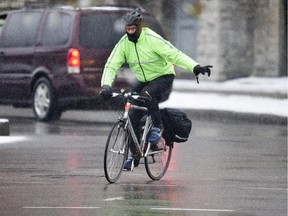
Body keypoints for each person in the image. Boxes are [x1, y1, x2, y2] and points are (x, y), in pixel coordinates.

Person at [100, 11, 212, 171]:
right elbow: (112, 64)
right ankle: (135, 155)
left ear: (139, 27)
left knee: (147, 95)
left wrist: (194, 67)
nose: (130, 32)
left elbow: (175, 54)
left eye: (133, 29)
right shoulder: (124, 43)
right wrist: (106, 86)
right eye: (128, 29)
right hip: (144, 80)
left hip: (163, 76)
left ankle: (158, 126)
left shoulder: (152, 39)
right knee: (132, 115)